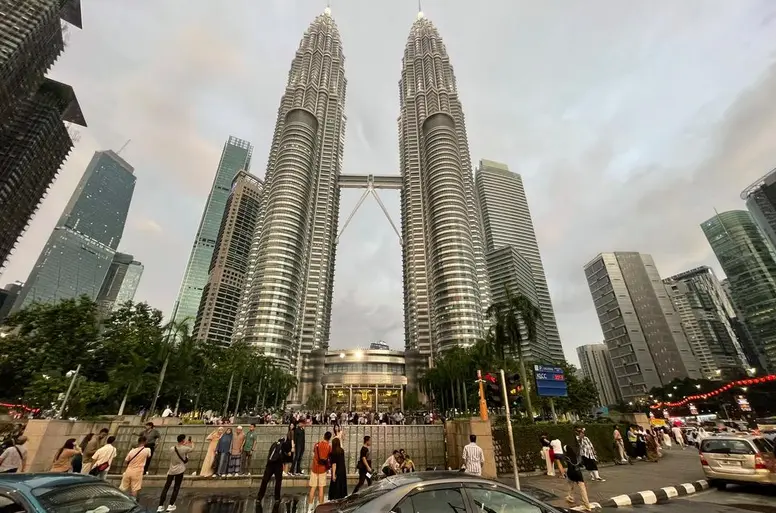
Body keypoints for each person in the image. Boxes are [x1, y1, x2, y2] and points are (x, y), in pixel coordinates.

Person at [157, 434, 193, 512]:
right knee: (176, 487)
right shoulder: (185, 448)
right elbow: (192, 449)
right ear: (183, 440)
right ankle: (171, 505)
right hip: (180, 470)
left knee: (166, 487)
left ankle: (160, 506)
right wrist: (191, 443)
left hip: (171, 470)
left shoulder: (172, 448)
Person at [257, 435, 292, 502]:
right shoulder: (285, 444)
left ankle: (259, 497)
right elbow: (289, 454)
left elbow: (269, 454)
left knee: (265, 481)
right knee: (278, 481)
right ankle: (277, 498)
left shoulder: (274, 444)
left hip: (269, 464)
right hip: (278, 465)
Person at [307, 431, 332, 508]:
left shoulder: (317, 444)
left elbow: (314, 454)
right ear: (329, 438)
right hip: (323, 469)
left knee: (313, 488)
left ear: (324, 436)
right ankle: (320, 507)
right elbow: (329, 457)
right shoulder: (329, 447)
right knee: (321, 489)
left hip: (314, 468)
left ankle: (309, 508)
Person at [563, 444, 591, 511]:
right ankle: (587, 505)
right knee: (583, 489)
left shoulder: (566, 457)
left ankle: (570, 497)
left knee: (570, 486)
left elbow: (568, 466)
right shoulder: (576, 455)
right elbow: (581, 464)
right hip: (578, 473)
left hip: (571, 473)